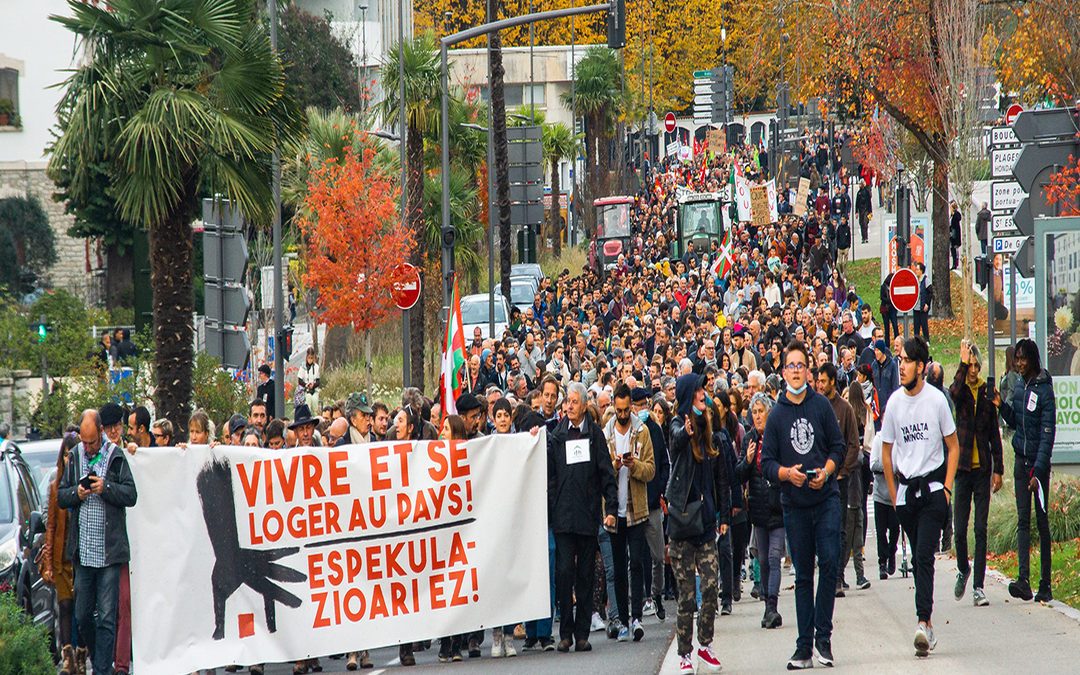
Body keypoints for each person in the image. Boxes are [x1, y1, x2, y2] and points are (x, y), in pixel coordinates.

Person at [760, 340, 846, 670]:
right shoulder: (777, 414)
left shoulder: (821, 406)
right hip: (794, 505)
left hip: (825, 500)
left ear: (808, 371)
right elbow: (765, 461)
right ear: (783, 372)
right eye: (790, 366)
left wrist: (825, 472)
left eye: (801, 365)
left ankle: (823, 639)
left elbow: (838, 449)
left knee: (828, 563)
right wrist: (786, 474)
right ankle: (803, 646)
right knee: (803, 576)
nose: (796, 371)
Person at [879, 336, 959, 658]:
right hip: (905, 495)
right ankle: (928, 624)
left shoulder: (936, 400)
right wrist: (894, 489)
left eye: (908, 361)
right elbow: (886, 452)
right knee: (917, 559)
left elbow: (953, 446)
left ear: (922, 367)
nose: (902, 366)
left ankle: (923, 622)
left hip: (934, 491)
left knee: (924, 556)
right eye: (900, 360)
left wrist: (948, 488)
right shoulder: (894, 403)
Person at [57, 409, 138, 675]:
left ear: (101, 432)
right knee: (82, 616)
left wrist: (107, 488)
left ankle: (102, 669)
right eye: (85, 441)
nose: (88, 447)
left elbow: (131, 494)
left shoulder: (116, 456)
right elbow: (61, 496)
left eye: (92, 442)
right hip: (83, 553)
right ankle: (97, 656)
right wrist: (76, 494)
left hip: (109, 554)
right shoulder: (75, 457)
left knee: (106, 617)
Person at [547, 382, 618, 653]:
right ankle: (564, 633)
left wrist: (610, 509)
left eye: (573, 402)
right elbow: (551, 474)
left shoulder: (594, 434)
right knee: (565, 574)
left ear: (584, 405)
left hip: (587, 516)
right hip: (564, 517)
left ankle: (582, 634)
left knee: (586, 575)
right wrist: (554, 502)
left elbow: (606, 474)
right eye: (567, 402)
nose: (568, 406)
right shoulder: (557, 435)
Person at [666, 373, 728, 674]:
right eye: (699, 390)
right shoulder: (678, 424)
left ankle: (704, 644)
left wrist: (723, 515)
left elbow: (720, 476)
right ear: (689, 394)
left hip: (704, 524)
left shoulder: (708, 427)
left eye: (705, 389)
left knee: (712, 586)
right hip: (682, 524)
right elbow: (677, 438)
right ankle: (684, 654)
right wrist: (687, 430)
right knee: (687, 596)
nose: (704, 393)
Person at [996, 338, 1056, 602]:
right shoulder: (1019, 385)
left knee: (1041, 524)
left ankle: (1045, 584)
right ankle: (1023, 581)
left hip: (1037, 467)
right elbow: (1017, 423)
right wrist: (1001, 406)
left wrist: (1038, 472)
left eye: (1022, 359)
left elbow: (1047, 435)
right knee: (1023, 521)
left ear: (1032, 359)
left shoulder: (1044, 390)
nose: (1018, 363)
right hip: (1021, 462)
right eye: (1016, 359)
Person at [948, 341, 1003, 607]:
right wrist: (960, 361)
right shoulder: (962, 390)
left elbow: (994, 432)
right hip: (962, 469)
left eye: (975, 365)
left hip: (982, 469)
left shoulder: (986, 391)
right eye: (969, 365)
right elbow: (953, 393)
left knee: (980, 529)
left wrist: (999, 470)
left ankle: (979, 587)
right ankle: (963, 568)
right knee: (960, 529)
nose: (972, 370)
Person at [602, 384, 655, 642]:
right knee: (620, 568)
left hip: (637, 509)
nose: (623, 415)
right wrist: (613, 466)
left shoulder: (642, 431)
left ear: (631, 407)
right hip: (615, 511)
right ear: (614, 405)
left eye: (626, 410)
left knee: (636, 564)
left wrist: (634, 466)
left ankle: (636, 618)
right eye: (619, 410)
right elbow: (600, 475)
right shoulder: (606, 434)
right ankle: (622, 619)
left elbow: (651, 471)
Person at [818, 363, 868, 595]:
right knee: (822, 529)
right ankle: (827, 574)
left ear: (832, 382)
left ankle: (837, 577)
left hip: (839, 480)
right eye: (817, 381)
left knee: (839, 528)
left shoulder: (845, 409)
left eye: (823, 381)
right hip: (819, 479)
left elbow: (853, 444)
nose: (819, 385)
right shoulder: (815, 406)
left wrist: (842, 470)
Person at [737, 393, 785, 630]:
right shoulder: (749, 440)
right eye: (753, 412)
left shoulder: (777, 436)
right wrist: (746, 461)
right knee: (763, 559)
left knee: (775, 557)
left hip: (778, 506)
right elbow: (738, 475)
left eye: (760, 412)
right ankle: (767, 602)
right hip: (758, 509)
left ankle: (772, 607)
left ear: (769, 412)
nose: (757, 416)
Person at [41, 434, 80, 675]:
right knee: (65, 606)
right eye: (65, 454)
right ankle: (67, 657)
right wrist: (47, 562)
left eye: (72, 453)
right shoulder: (55, 486)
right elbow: (51, 525)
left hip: (82, 558)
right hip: (62, 559)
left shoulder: (84, 483)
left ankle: (82, 653)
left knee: (83, 610)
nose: (68, 458)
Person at [630, 387, 669, 621]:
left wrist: (660, 490)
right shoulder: (628, 430)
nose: (642, 409)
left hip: (653, 503)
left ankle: (656, 595)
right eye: (639, 405)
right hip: (634, 504)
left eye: (645, 405)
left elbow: (664, 463)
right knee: (635, 558)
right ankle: (639, 601)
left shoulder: (654, 430)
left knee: (657, 556)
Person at [297, 347, 321, 411]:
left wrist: (313, 385)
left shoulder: (316, 367)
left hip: (314, 390)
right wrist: (306, 385)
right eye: (309, 358)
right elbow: (299, 380)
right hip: (305, 390)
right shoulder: (303, 367)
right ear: (307, 357)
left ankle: (315, 414)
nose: (310, 360)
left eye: (311, 358)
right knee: (308, 398)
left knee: (314, 400)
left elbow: (318, 381)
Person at [913, 263, 931, 341]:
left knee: (924, 324)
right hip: (916, 307)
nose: (916, 271)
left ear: (921, 271)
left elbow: (930, 293)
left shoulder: (926, 280)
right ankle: (916, 340)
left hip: (923, 306)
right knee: (916, 325)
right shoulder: (915, 280)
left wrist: (927, 303)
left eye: (917, 269)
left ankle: (926, 340)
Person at [949, 202, 961, 270]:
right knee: (953, 250)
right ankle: (954, 263)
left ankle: (955, 264)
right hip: (953, 234)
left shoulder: (955, 215)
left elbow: (954, 226)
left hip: (954, 236)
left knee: (954, 250)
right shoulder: (952, 215)